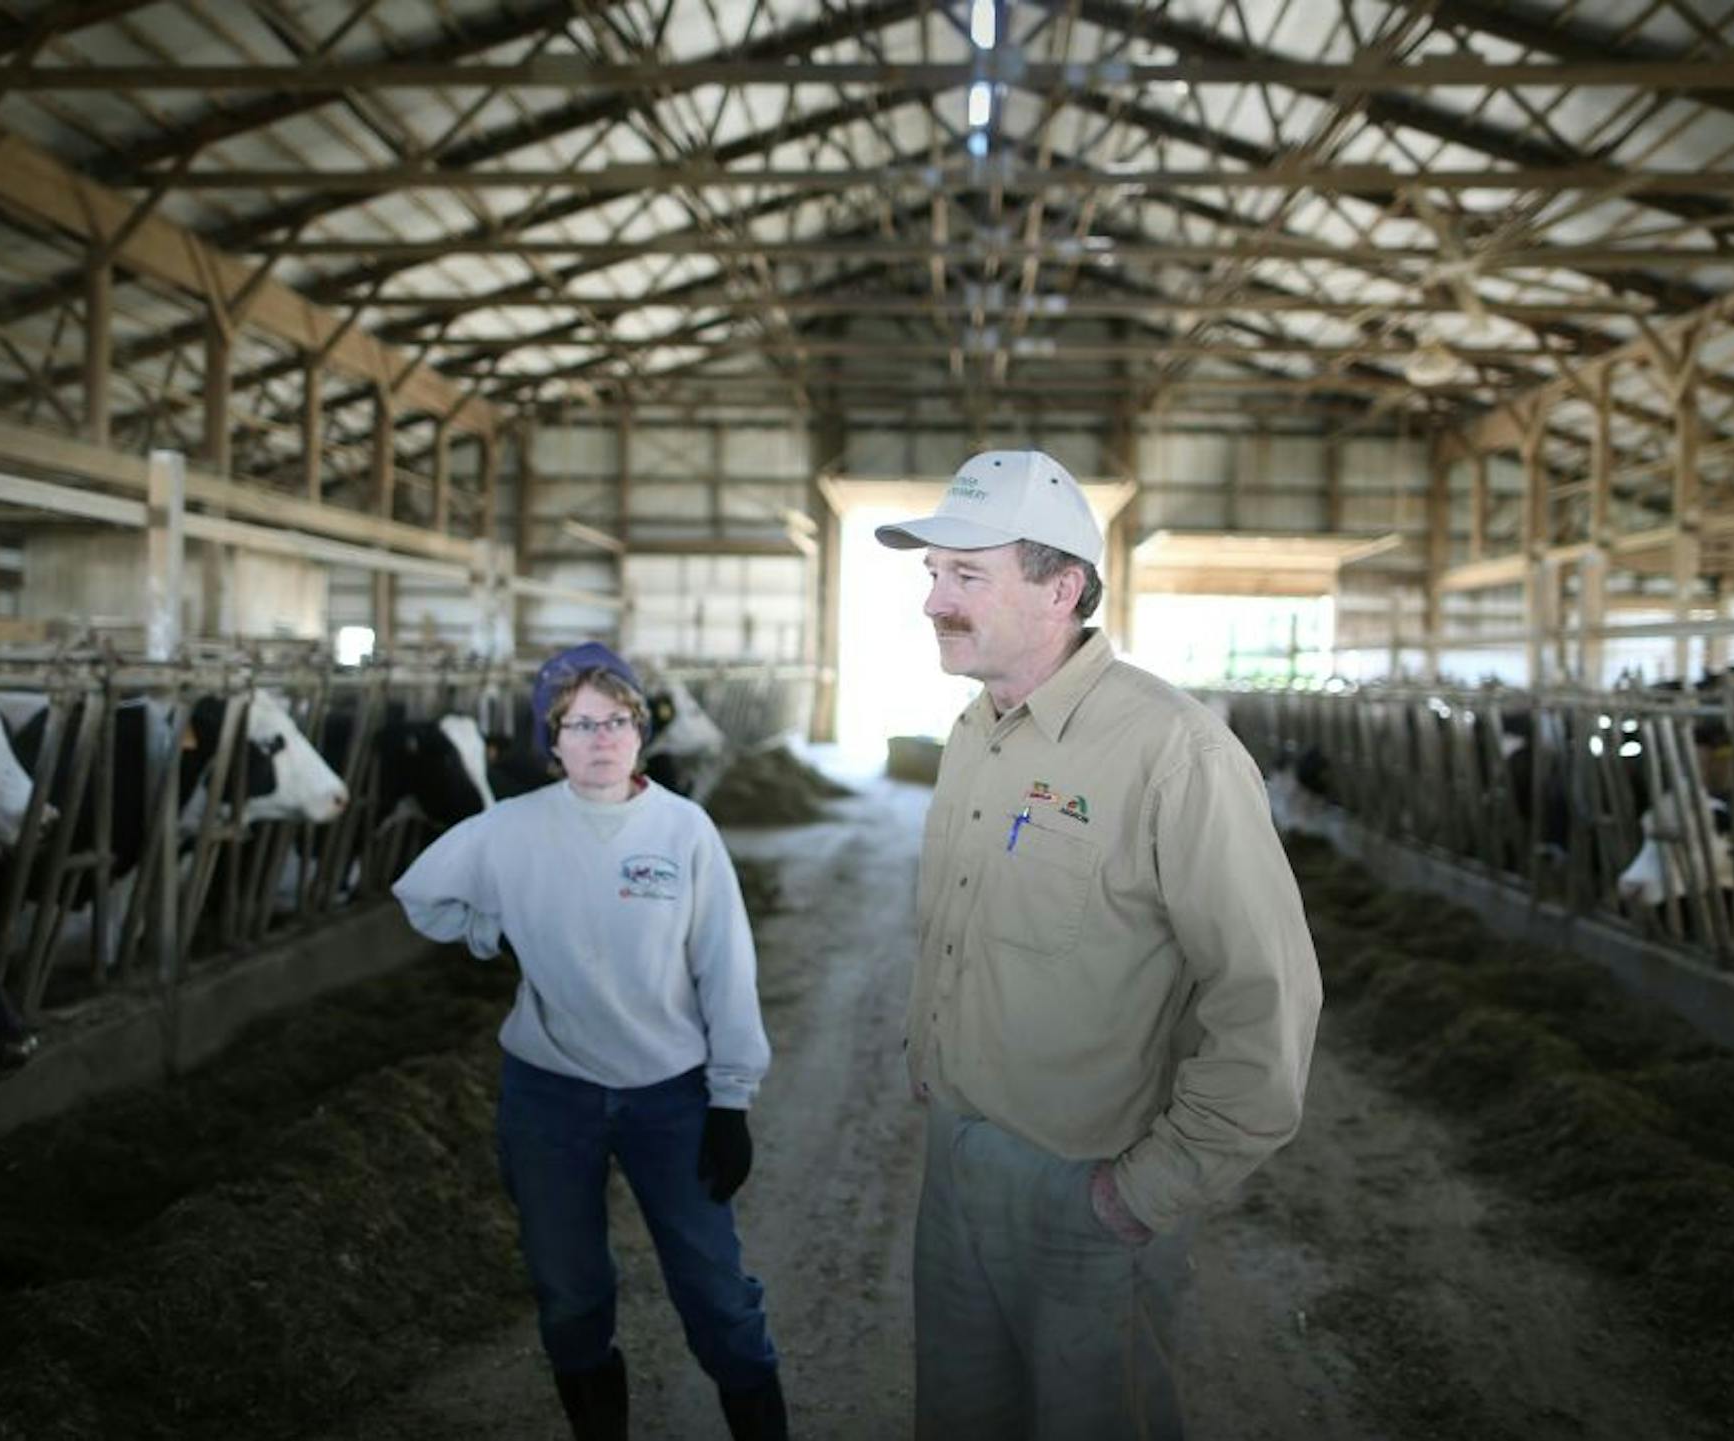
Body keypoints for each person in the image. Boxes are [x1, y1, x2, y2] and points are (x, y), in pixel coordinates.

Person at [875, 449, 1324, 1440]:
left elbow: (1268, 1000)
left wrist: (1149, 1190)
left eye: (966, 576)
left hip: (1087, 1186)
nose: (934, 602)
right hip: (956, 1155)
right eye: (932, 576)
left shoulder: (1176, 751)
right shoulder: (973, 729)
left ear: (1063, 586)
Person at [391, 642, 787, 1441]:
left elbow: (725, 966)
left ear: (641, 730)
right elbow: (422, 892)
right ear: (552, 738)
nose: (600, 738)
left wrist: (730, 1096)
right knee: (569, 1292)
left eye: (616, 720)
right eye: (579, 724)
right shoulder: (511, 827)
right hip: (549, 1093)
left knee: (715, 1291)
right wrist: (489, 931)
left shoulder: (684, 830)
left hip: (671, 1094)